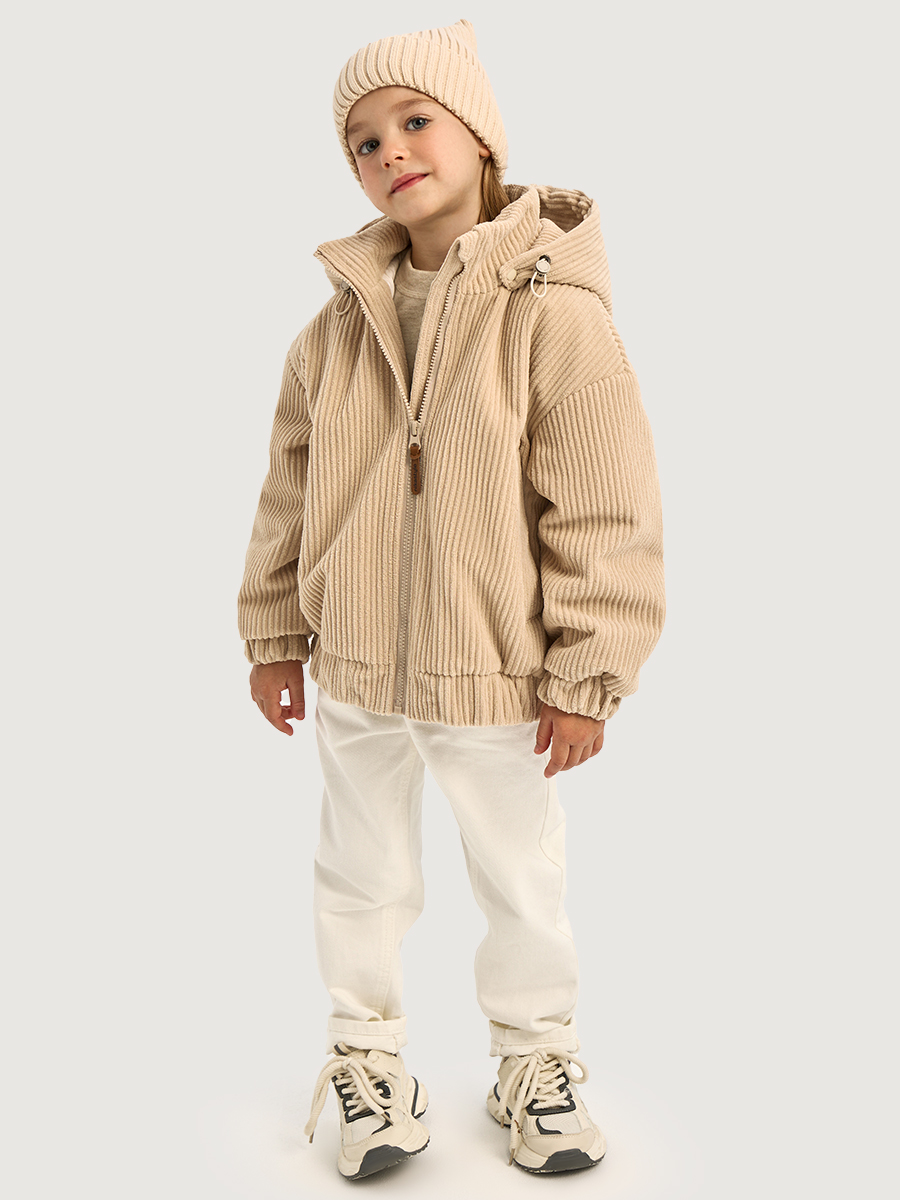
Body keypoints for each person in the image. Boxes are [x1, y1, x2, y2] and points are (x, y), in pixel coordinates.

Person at [237, 17, 665, 1181]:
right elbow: (289, 490)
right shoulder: (333, 331)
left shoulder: (553, 313)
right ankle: (366, 1062)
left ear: (480, 134)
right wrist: (274, 633)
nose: (390, 150)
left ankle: (535, 1060)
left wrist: (588, 672)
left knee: (521, 879)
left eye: (415, 120)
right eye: (363, 141)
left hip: (500, 670)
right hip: (357, 662)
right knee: (360, 875)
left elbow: (605, 504)